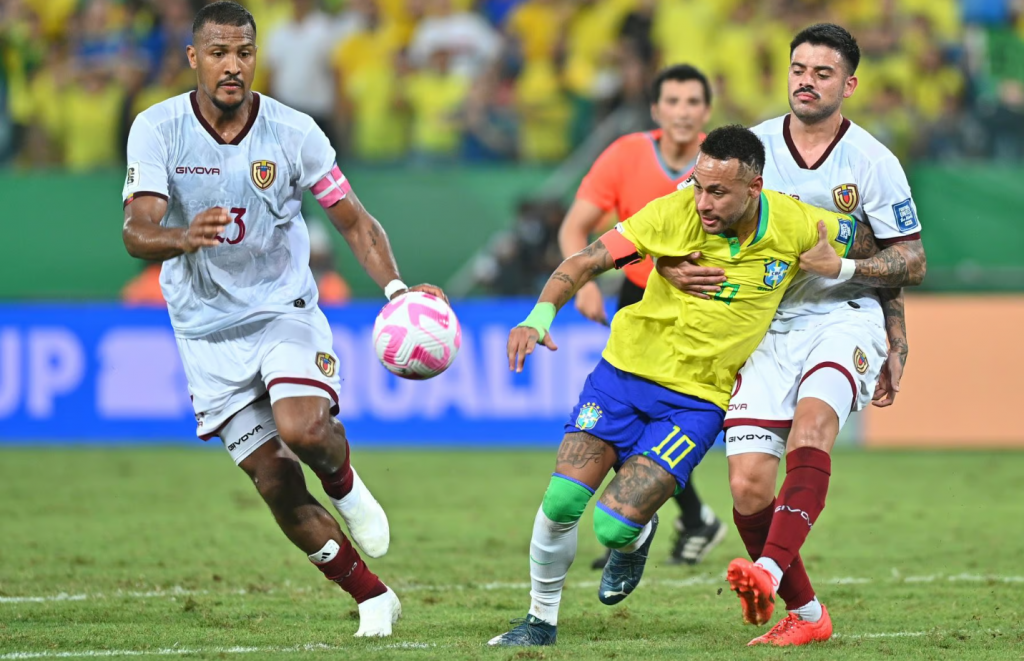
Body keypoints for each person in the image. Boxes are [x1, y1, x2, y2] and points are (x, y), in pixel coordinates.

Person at [120, 2, 445, 638]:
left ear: (255, 57)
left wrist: (396, 290)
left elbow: (353, 218)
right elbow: (137, 231)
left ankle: (346, 485)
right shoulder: (156, 129)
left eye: (243, 52)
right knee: (273, 481)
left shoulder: (294, 132)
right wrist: (183, 236)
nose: (232, 65)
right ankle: (373, 596)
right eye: (218, 53)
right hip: (205, 330)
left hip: (282, 310)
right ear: (194, 58)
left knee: (301, 429)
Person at [489, 125, 879, 647]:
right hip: (621, 378)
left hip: (695, 403)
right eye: (697, 185)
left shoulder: (797, 223)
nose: (701, 202)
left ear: (755, 188)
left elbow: (872, 240)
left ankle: (636, 538)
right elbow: (586, 259)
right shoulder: (672, 215)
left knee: (612, 529)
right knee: (560, 501)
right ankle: (539, 624)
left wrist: (847, 270)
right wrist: (539, 317)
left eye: (717, 192)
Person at [657, 24, 927, 647]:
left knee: (813, 426)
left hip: (843, 314)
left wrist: (854, 279)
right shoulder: (750, 147)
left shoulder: (873, 162)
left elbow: (911, 259)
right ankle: (807, 617)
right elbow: (676, 215)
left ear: (849, 85)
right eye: (798, 69)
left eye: (822, 72)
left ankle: (768, 570)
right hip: (762, 325)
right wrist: (669, 263)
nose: (806, 80)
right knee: (748, 484)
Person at [558, 63, 723, 570]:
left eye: (692, 102)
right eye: (672, 101)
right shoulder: (627, 153)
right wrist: (582, 283)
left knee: (669, 423)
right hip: (641, 305)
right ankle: (666, 521)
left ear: (705, 112)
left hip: (709, 309)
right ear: (656, 110)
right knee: (630, 420)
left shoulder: (720, 164)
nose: (681, 111)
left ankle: (655, 520)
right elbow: (575, 226)